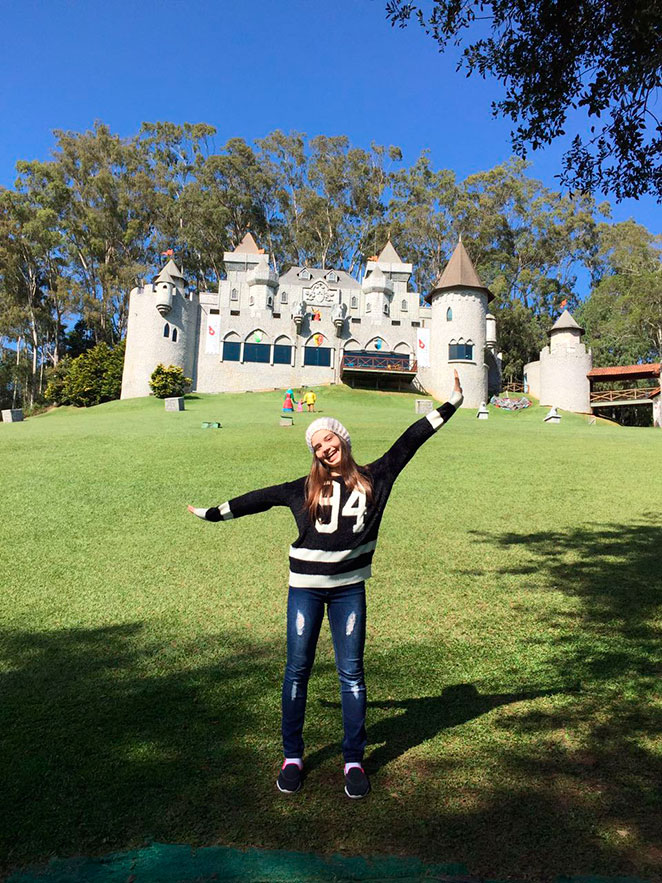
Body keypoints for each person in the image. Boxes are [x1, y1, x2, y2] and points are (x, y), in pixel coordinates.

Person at [188, 371, 463, 799]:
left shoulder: (377, 477)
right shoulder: (302, 490)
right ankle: (292, 756)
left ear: (343, 440)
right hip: (306, 590)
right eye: (317, 447)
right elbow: (254, 500)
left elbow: (411, 439)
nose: (325, 448)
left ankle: (354, 759)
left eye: (328, 440)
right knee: (297, 671)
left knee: (351, 675)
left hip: (350, 590)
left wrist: (451, 404)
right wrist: (211, 513)